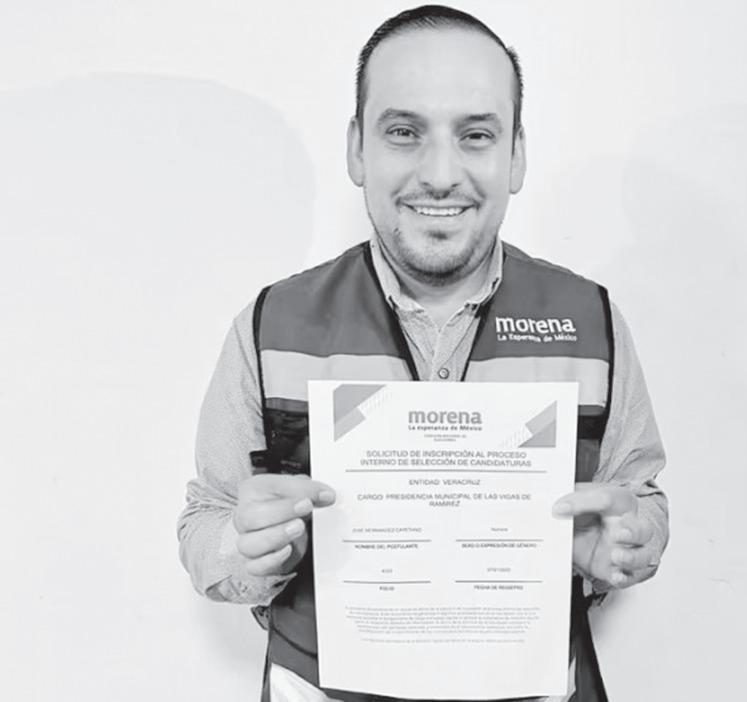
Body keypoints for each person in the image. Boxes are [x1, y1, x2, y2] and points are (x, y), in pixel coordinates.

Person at [177, 5, 668, 702]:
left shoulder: (592, 323)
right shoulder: (270, 325)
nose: (440, 174)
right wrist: (243, 547)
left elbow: (642, 500)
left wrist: (627, 544)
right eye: (404, 132)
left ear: (516, 155)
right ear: (358, 149)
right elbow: (205, 525)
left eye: (476, 135)